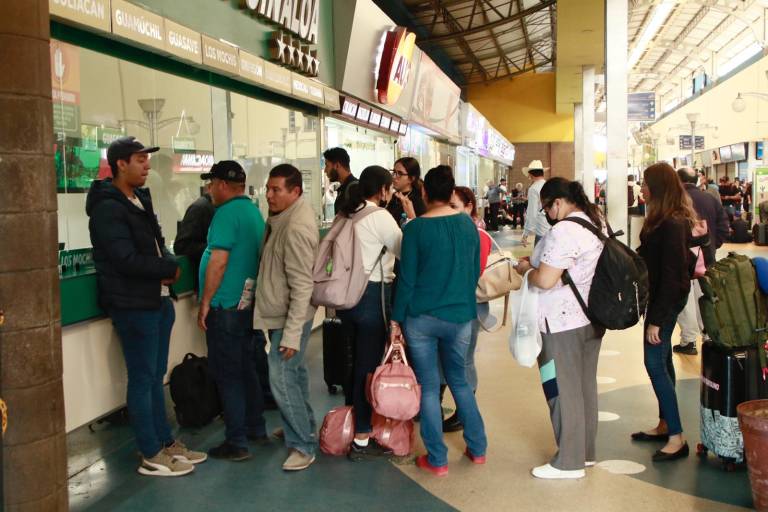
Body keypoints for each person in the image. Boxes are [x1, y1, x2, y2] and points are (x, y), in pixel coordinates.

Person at [87, 136, 205, 477]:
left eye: (147, 159)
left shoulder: (139, 199)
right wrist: (166, 269)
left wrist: (167, 262)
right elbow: (124, 258)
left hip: (157, 301)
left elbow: (155, 244)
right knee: (142, 379)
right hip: (133, 304)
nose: (147, 165)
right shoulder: (108, 208)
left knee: (155, 377)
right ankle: (151, 451)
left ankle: (166, 443)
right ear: (120, 164)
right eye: (140, 159)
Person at [390, 165, 487, 476]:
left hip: (421, 319)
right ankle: (478, 448)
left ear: (424, 192)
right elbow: (475, 272)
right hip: (460, 317)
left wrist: (396, 319)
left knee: (429, 387)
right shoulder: (468, 226)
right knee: (459, 381)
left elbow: (406, 280)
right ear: (451, 192)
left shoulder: (415, 230)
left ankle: (437, 459)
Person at [513, 178, 607, 480]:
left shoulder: (564, 231)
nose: (548, 215)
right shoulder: (596, 222)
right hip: (591, 318)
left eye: (546, 209)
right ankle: (585, 452)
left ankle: (568, 462)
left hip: (560, 322)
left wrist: (526, 268)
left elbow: (545, 280)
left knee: (558, 389)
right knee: (583, 387)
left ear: (558, 202)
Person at [197, 160, 267, 462]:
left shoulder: (225, 214)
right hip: (246, 305)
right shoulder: (252, 211)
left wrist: (204, 302)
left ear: (223, 185)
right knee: (247, 368)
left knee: (229, 374)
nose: (208, 188)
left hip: (225, 305)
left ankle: (236, 441)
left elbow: (219, 261)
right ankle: (255, 427)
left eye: (211, 183)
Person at [253, 164, 319, 471]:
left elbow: (302, 285)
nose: (269, 195)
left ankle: (303, 445)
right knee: (293, 374)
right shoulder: (281, 218)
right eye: (268, 188)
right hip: (281, 313)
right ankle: (301, 426)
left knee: (280, 377)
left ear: (296, 192)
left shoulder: (295, 227)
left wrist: (292, 334)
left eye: (277, 190)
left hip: (291, 317)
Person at [335, 166, 403, 459]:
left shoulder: (346, 213)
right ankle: (362, 435)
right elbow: (404, 249)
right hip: (370, 298)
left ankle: (350, 419)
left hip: (343, 298)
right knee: (367, 366)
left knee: (352, 363)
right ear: (384, 190)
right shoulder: (380, 216)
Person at [633, 162, 696, 462]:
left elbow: (672, 276)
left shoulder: (671, 223)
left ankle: (677, 437)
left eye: (645, 183)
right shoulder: (663, 218)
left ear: (657, 187)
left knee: (654, 362)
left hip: (666, 303)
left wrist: (656, 321)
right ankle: (665, 423)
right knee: (663, 360)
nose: (641, 188)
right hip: (662, 300)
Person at [441, 186, 493, 433]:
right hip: (456, 305)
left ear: (469, 206)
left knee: (464, 359)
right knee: (453, 357)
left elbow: (474, 272)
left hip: (471, 305)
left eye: (454, 206)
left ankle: (465, 412)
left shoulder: (477, 235)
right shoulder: (455, 231)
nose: (449, 211)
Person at [673, 167, 729, 356]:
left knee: (684, 299)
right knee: (705, 295)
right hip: (707, 257)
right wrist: (713, 245)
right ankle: (708, 334)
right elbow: (723, 226)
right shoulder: (711, 199)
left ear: (679, 181)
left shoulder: (675, 201)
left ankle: (689, 340)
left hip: (683, 258)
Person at [174, 183, 215, 294]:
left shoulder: (220, 209)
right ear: (211, 187)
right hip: (202, 282)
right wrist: (214, 249)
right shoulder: (200, 208)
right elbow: (181, 245)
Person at [386, 157, 427, 227]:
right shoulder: (393, 196)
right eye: (394, 172)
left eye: (400, 173)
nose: (394, 177)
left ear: (411, 179)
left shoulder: (418, 200)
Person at [522, 160, 550, 247]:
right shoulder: (548, 185)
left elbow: (532, 212)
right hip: (552, 227)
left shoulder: (533, 189)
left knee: (538, 258)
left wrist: (525, 233)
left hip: (541, 229)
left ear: (530, 174)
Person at [324, 147, 358, 215]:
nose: (325, 170)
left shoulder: (354, 189)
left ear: (337, 166)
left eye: (327, 166)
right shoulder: (345, 188)